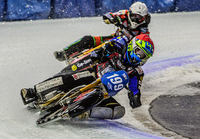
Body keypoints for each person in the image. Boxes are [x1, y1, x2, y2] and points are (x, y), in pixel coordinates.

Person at [21, 34, 154, 120]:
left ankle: (84, 112)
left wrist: (135, 97)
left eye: (143, 56)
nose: (139, 57)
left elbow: (135, 91)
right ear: (132, 47)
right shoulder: (120, 45)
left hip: (103, 92)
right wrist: (106, 51)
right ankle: (34, 91)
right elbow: (102, 49)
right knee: (71, 76)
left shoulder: (136, 72)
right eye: (139, 52)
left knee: (118, 111)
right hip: (90, 72)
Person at [54, 1, 151, 62]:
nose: (136, 19)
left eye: (140, 17)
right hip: (112, 38)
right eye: (134, 16)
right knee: (87, 40)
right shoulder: (124, 13)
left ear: (144, 17)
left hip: (124, 50)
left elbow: (143, 49)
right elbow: (107, 16)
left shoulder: (144, 31)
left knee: (103, 56)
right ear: (130, 13)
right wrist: (112, 19)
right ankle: (65, 53)